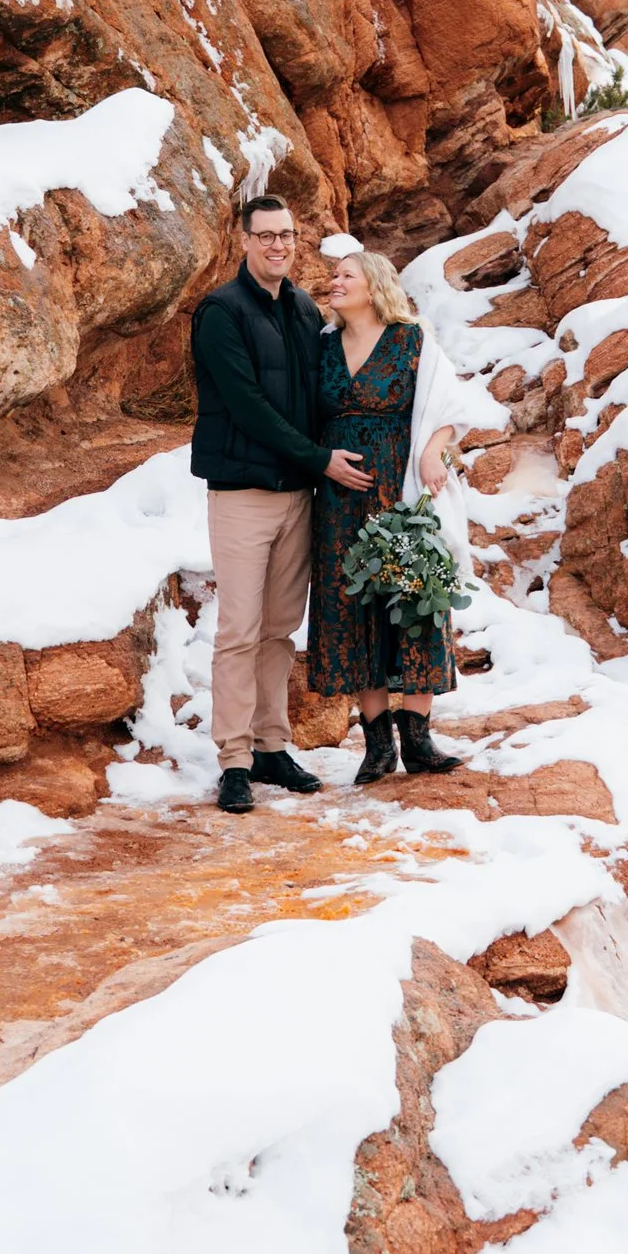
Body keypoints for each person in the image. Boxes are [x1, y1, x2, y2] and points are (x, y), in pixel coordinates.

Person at [188, 192, 372, 817]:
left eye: (286, 235)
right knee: (239, 631)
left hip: (299, 497)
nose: (277, 245)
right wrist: (320, 459)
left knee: (278, 631)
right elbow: (247, 407)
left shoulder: (301, 308)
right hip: (243, 494)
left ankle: (272, 745)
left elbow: (328, 394)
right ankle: (234, 761)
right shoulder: (220, 312)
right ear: (243, 240)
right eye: (265, 235)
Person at [307, 242, 462, 783]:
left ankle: (418, 738)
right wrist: (323, 464)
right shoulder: (322, 346)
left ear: (373, 285)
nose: (335, 281)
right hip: (337, 501)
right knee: (350, 606)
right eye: (333, 275)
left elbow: (446, 404)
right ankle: (377, 745)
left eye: (346, 274)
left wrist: (429, 451)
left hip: (398, 491)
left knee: (414, 598)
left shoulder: (410, 339)